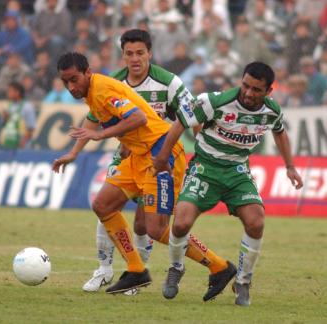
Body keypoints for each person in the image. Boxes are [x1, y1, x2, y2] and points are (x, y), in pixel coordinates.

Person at [53, 51, 236, 297]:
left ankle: (220, 267)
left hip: (162, 154)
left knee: (157, 230)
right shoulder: (93, 92)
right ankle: (136, 270)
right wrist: (74, 153)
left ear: (88, 72)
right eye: (66, 82)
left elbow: (137, 118)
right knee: (103, 205)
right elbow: (92, 120)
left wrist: (100, 136)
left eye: (74, 79)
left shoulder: (103, 90)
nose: (71, 87)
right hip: (139, 156)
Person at [152, 62, 303, 306]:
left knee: (256, 223)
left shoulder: (271, 110)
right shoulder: (214, 101)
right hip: (205, 169)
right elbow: (180, 122)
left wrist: (289, 166)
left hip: (237, 172)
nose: (248, 92)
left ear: (268, 91)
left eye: (256, 89)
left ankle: (243, 281)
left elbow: (280, 131)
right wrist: (162, 157)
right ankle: (176, 268)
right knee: (180, 224)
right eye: (245, 85)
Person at [2, 81, 36, 149]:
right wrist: (5, 118)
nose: (8, 93)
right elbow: (4, 125)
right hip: (9, 144)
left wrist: (23, 142)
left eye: (10, 91)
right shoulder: (8, 106)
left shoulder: (27, 106)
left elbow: (31, 128)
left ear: (17, 92)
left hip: (22, 146)